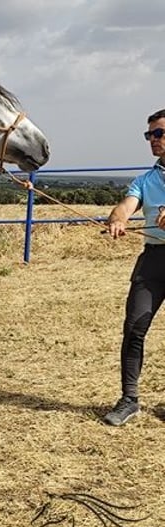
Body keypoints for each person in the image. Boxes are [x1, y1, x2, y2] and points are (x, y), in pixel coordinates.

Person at [103, 108, 165, 426]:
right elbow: (126, 206)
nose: (152, 140)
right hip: (153, 260)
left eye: (158, 133)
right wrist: (118, 219)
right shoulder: (145, 180)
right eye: (149, 135)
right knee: (134, 327)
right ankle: (129, 399)